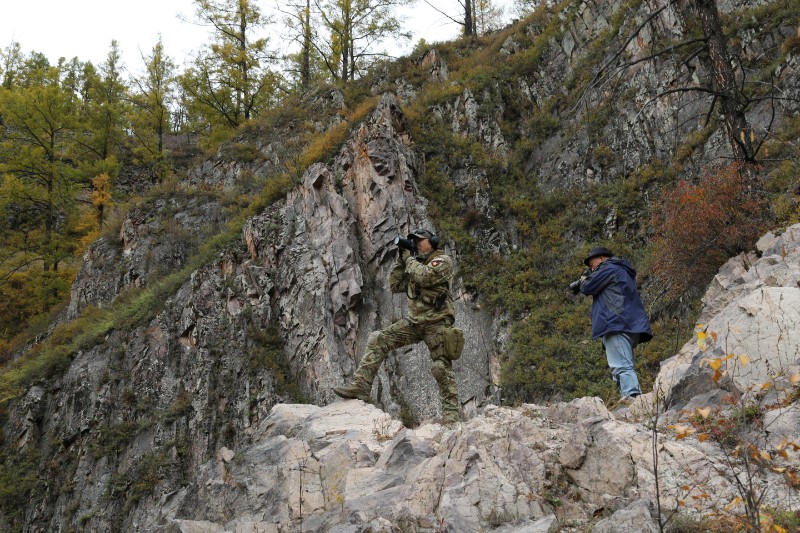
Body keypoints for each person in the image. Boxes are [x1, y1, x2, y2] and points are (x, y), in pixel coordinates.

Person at [333, 229, 461, 424]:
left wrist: (409, 260)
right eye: (414, 241)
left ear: (433, 241)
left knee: (441, 368)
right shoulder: (414, 265)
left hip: (437, 323)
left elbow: (425, 277)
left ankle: (451, 418)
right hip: (415, 323)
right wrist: (402, 261)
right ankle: (361, 386)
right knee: (379, 338)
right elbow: (394, 285)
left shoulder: (442, 261)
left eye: (420, 240)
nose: (416, 244)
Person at [578, 247, 653, 401]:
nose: (592, 268)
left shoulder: (608, 268)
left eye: (592, 265)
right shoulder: (621, 270)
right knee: (623, 364)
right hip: (628, 324)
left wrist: (584, 279)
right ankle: (628, 398)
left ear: (602, 258)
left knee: (622, 366)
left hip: (615, 323)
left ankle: (632, 399)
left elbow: (587, 287)